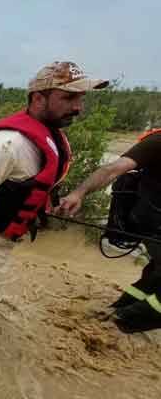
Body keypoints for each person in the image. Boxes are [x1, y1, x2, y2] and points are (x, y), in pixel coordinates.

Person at [0, 61, 107, 354]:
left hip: (1, 237)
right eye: (68, 97)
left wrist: (50, 200)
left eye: (80, 98)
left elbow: (34, 180)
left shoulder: (50, 134)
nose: (78, 107)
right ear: (38, 98)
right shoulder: (6, 145)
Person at [58, 127, 161, 333]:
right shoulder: (157, 142)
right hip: (153, 225)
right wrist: (79, 193)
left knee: (155, 278)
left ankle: (113, 315)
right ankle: (116, 327)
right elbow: (112, 169)